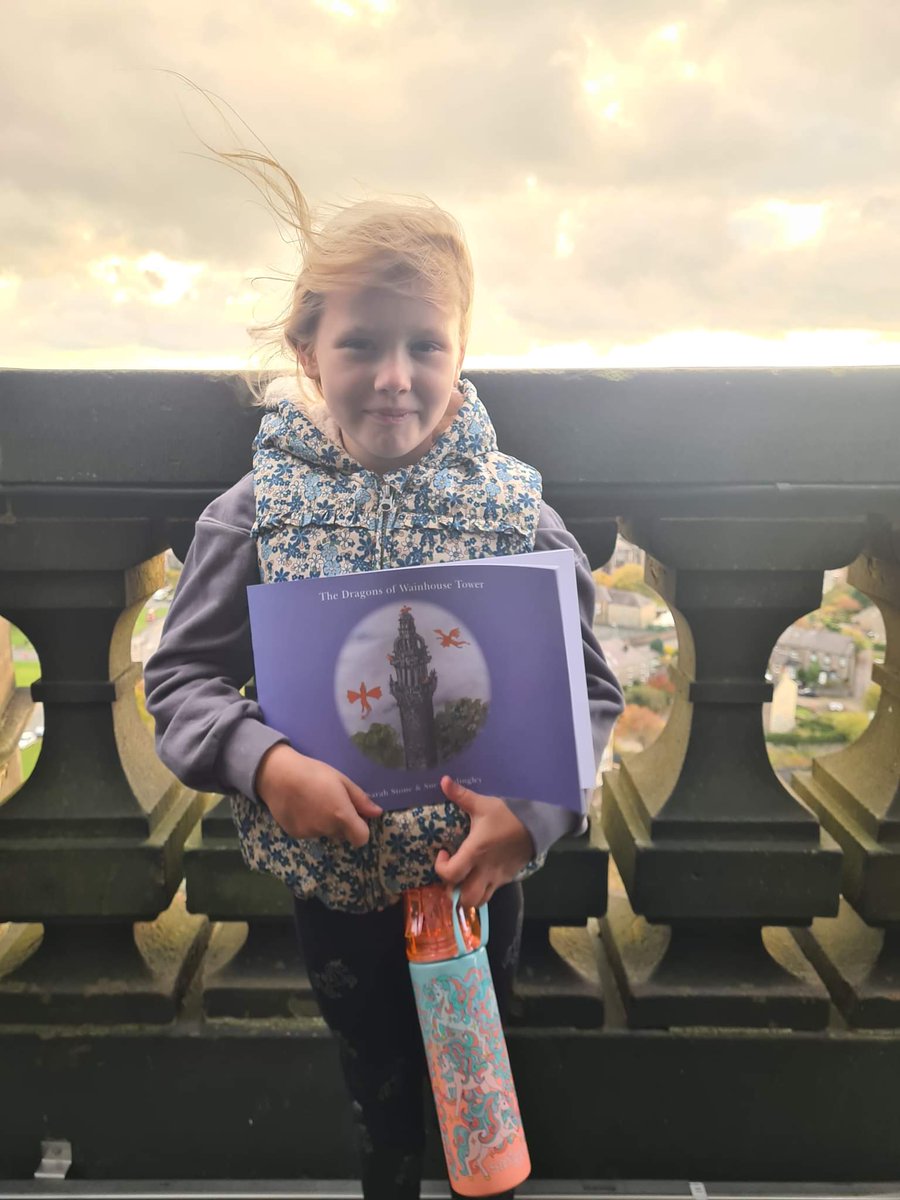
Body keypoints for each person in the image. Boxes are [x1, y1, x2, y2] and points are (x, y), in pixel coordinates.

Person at [144, 157, 624, 1199]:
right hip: (339, 885)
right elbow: (179, 677)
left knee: (477, 1076)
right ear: (307, 352)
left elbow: (590, 693)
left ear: (460, 354)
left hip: (477, 877)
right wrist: (264, 762)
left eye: (425, 344)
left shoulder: (520, 516)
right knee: (375, 1075)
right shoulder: (253, 514)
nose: (393, 375)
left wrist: (532, 815)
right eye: (360, 342)